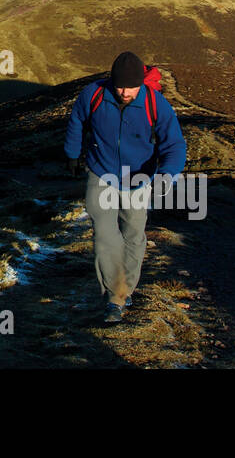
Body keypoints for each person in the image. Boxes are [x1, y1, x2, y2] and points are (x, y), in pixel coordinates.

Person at [63, 51, 186, 323]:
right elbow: (76, 122)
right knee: (105, 235)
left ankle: (126, 288)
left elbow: (174, 145)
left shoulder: (156, 104)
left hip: (139, 177)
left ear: (141, 83)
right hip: (101, 173)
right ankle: (115, 296)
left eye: (131, 87)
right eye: (120, 86)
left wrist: (167, 175)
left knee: (133, 234)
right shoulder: (93, 95)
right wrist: (72, 154)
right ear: (111, 81)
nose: (125, 92)